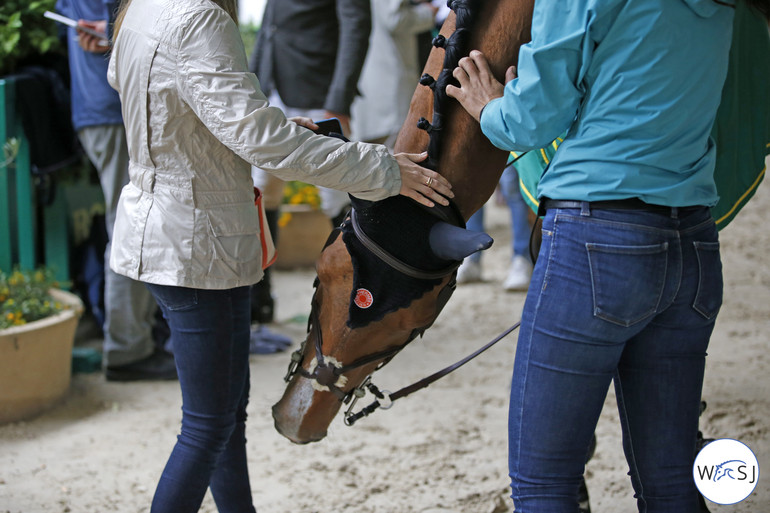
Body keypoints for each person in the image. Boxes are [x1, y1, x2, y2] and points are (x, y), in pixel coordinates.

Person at [107, 0, 452, 511]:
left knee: (223, 417)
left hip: (172, 231)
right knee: (207, 427)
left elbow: (176, 107)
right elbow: (259, 140)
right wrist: (385, 171)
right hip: (197, 241)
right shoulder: (199, 16)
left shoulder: (143, 7)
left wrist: (274, 133)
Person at [447, 0, 736, 510]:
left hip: (596, 236)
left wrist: (490, 105)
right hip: (692, 240)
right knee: (671, 481)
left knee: (544, 485)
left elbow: (529, 122)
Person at [55, 0, 175, 381]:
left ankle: (134, 340)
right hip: (116, 107)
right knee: (131, 228)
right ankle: (128, 350)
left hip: (99, 108)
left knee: (130, 223)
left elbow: (72, 31)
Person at [246, 0, 372, 351]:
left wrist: (339, 99)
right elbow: (271, 25)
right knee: (260, 194)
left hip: (319, 94)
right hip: (271, 92)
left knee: (339, 198)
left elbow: (355, 25)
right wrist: (253, 87)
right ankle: (259, 304)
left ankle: (358, 301)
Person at [350, 0, 438, 148]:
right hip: (389, 84)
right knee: (394, 153)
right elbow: (394, 19)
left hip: (371, 81)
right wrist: (429, 13)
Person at [455, 163, 534, 290]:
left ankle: (522, 259)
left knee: (512, 185)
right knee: (473, 184)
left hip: (509, 146)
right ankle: (472, 257)